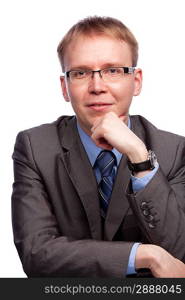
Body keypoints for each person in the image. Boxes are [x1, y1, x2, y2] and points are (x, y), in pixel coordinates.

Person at [11, 16, 185, 278]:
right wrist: (143, 255)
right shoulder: (35, 147)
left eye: (113, 70)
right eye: (80, 73)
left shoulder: (173, 150)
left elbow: (179, 257)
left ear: (136, 81)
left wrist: (140, 160)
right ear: (65, 87)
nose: (97, 87)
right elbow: (37, 255)